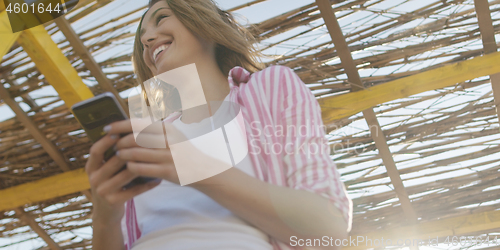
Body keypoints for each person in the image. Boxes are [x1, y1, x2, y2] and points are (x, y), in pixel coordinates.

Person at [85, 0, 353, 249]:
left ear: (203, 22)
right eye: (142, 39)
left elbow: (328, 231)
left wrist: (197, 167)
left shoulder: (270, 87)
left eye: (162, 18)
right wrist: (104, 217)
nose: (146, 39)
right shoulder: (147, 136)